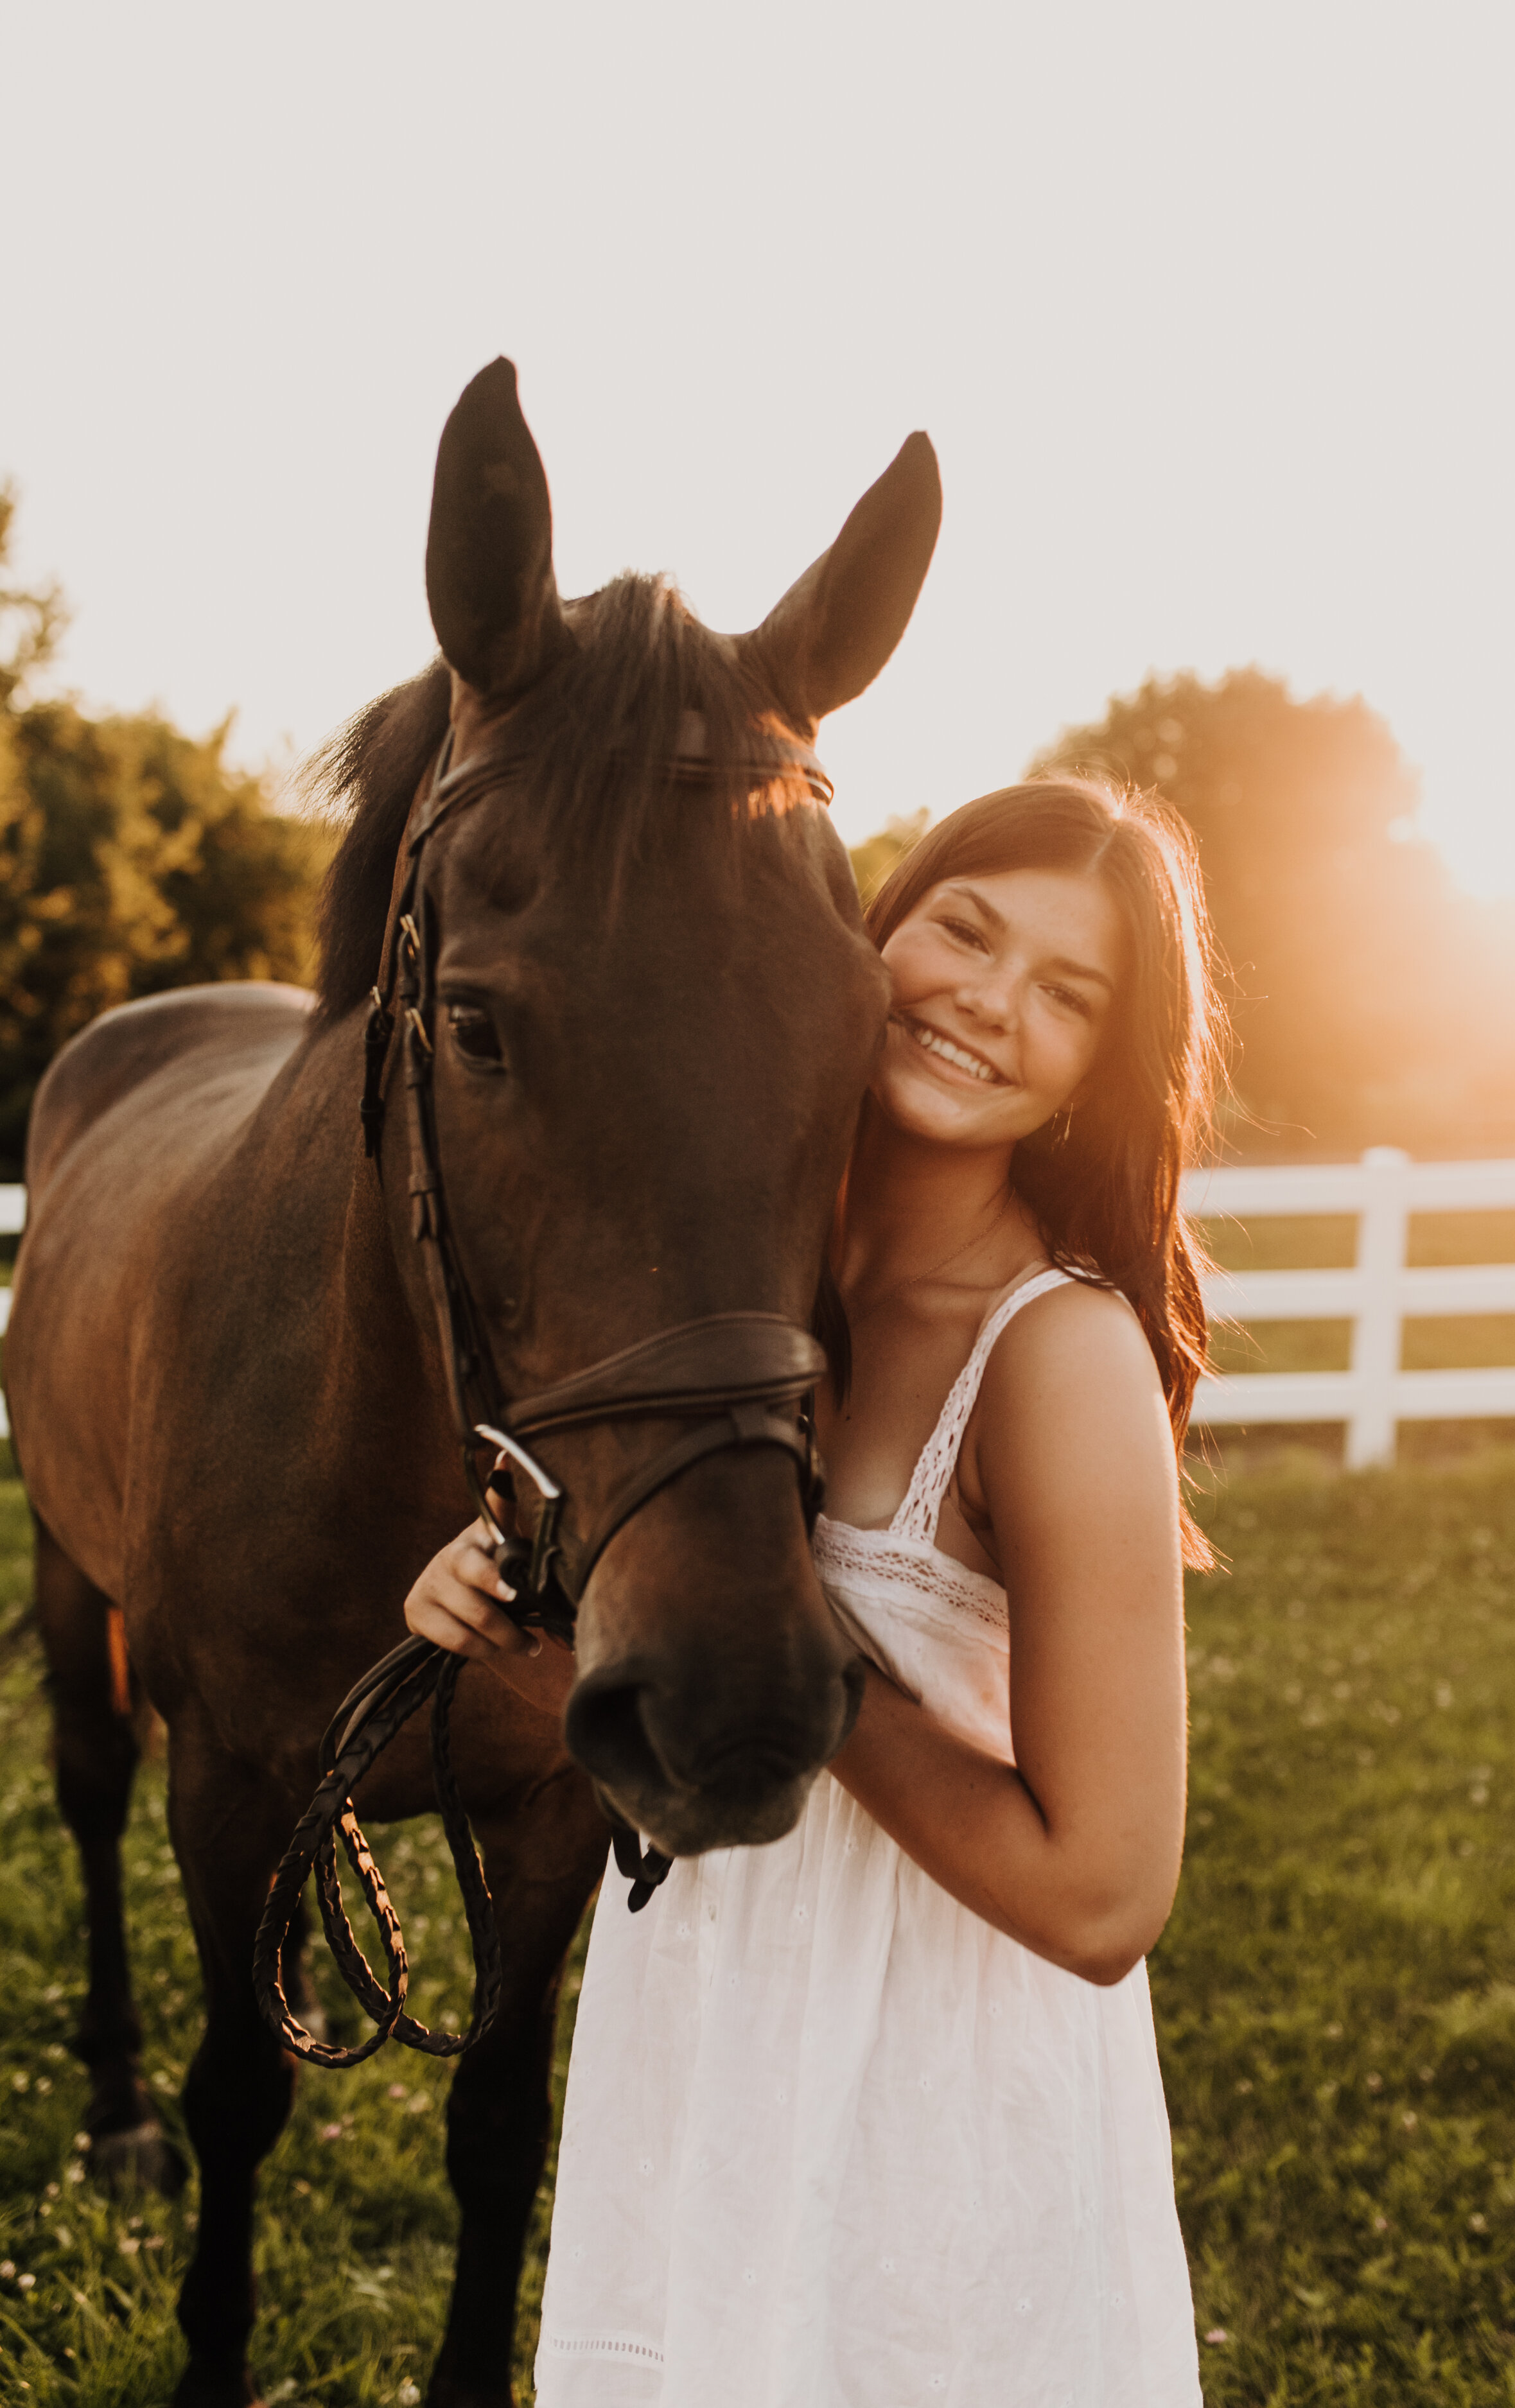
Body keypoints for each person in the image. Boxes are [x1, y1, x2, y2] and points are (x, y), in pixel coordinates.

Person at [406, 778, 1223, 2405]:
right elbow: (700, 1746)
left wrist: (805, 1655)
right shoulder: (739, 1292)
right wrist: (518, 1636)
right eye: (965, 932)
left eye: (1066, 996)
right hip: (708, 2062)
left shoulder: (1055, 1356)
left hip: (927, 2118)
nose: (991, 1003)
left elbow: (1104, 1899)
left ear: (1094, 1078)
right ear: (873, 937)